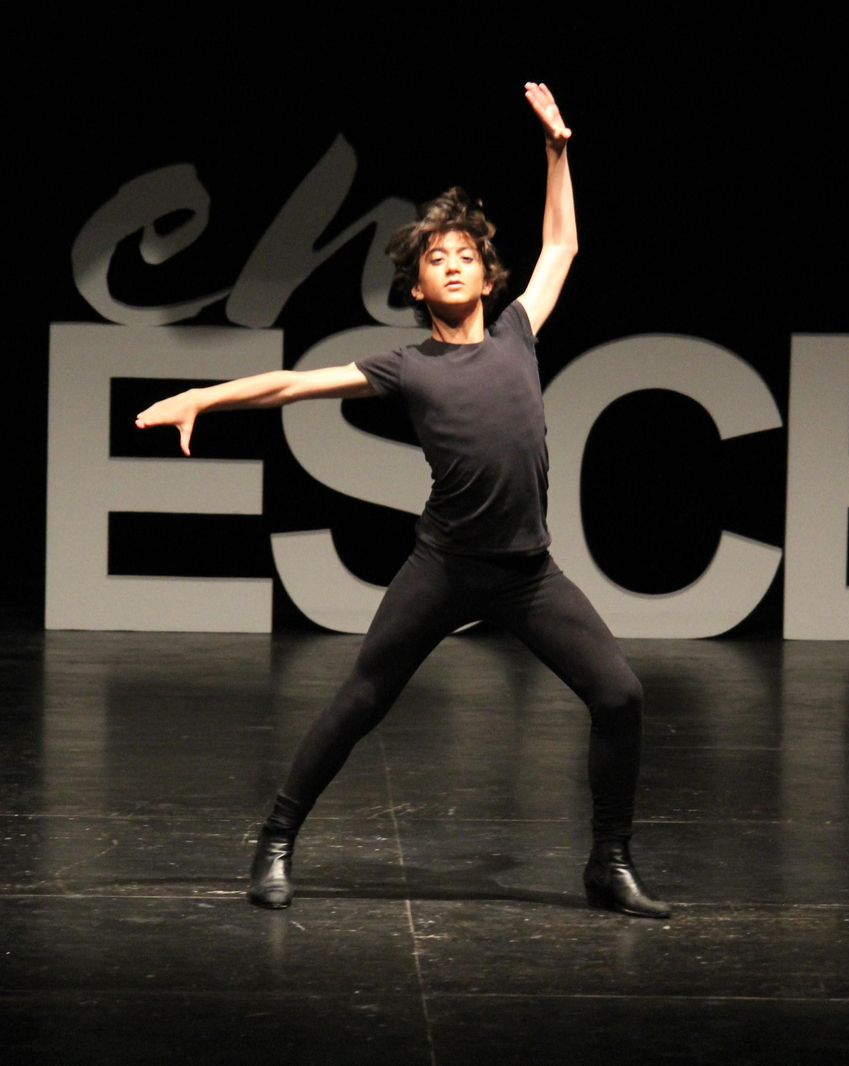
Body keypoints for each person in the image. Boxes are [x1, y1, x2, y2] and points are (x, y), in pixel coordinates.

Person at [136, 83, 668, 919]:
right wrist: (207, 393)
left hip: (528, 574)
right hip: (446, 568)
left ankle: (608, 862)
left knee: (621, 695)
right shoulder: (408, 366)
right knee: (361, 700)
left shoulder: (519, 331)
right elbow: (292, 384)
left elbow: (561, 243)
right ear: (418, 288)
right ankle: (275, 839)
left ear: (487, 276)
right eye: (434, 259)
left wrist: (556, 151)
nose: (451, 263)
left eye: (464, 254)